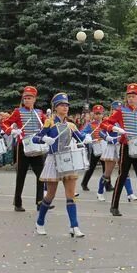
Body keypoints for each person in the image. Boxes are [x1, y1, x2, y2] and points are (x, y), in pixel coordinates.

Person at [31, 93, 91, 237]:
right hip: (54, 159)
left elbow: (80, 138)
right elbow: (35, 138)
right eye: (62, 105)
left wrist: (87, 138)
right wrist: (45, 139)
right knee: (50, 195)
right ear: (55, 107)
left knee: (70, 195)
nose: (65, 108)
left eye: (66, 105)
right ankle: (39, 222)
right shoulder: (49, 122)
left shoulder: (70, 125)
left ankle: (74, 226)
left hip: (68, 160)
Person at [99, 83, 137, 217]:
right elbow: (104, 123)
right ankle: (114, 206)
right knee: (122, 176)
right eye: (129, 96)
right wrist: (113, 128)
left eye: (133, 96)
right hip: (126, 147)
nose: (131, 99)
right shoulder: (120, 111)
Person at [1, 86, 47, 212]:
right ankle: (17, 203)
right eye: (25, 98)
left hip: (37, 146)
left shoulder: (39, 113)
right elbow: (4, 123)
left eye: (30, 98)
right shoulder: (18, 112)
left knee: (41, 175)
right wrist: (12, 130)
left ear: (34, 99)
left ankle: (39, 202)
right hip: (23, 147)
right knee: (21, 175)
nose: (27, 100)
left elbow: (47, 125)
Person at [79, 105, 105, 193]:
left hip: (105, 147)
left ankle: (108, 184)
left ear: (103, 114)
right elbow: (82, 133)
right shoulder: (90, 125)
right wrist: (87, 136)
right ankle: (84, 183)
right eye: (96, 114)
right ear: (93, 115)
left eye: (100, 114)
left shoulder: (106, 123)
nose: (98, 116)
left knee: (106, 167)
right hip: (96, 148)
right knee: (91, 167)